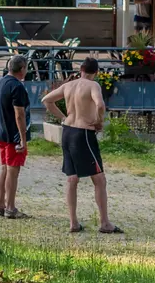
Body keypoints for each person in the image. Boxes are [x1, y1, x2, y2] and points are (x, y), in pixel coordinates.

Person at [41, 57, 121, 234]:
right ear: (96, 72)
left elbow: (46, 100)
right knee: (99, 179)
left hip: (68, 132)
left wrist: (63, 117)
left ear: (81, 70)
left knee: (72, 177)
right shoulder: (93, 86)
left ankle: (73, 222)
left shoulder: (69, 85)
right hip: (83, 133)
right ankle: (105, 223)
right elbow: (100, 104)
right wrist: (99, 121)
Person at [0, 55, 32, 219]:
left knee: (4, 168)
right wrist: (23, 139)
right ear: (22, 69)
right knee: (13, 171)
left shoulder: (1, 82)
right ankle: (10, 207)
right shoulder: (17, 87)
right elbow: (19, 115)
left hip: (1, 132)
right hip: (13, 136)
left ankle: (0, 204)